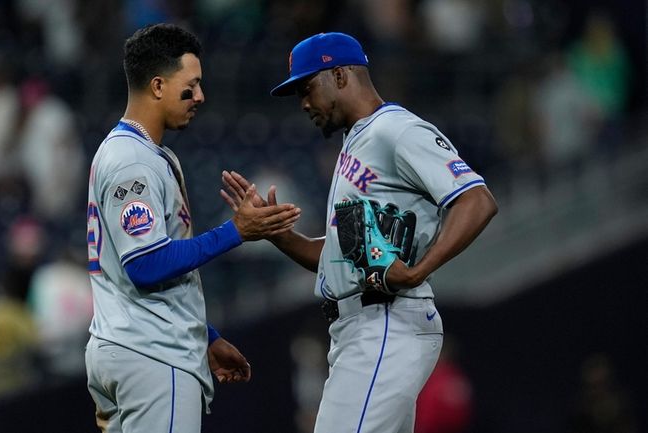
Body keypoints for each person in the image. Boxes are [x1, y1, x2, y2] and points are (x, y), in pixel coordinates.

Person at [221, 32, 497, 433]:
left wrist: (419, 271)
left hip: (386, 322)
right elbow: (339, 257)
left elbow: (477, 200)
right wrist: (276, 233)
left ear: (340, 75)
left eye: (307, 87)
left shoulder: (396, 130)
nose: (303, 102)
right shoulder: (357, 140)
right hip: (361, 328)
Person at [84, 23, 301, 433]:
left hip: (131, 345)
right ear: (158, 85)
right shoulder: (133, 160)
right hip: (152, 354)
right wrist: (236, 230)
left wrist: (206, 335)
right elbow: (146, 264)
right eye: (192, 85)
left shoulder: (139, 152)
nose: (200, 96)